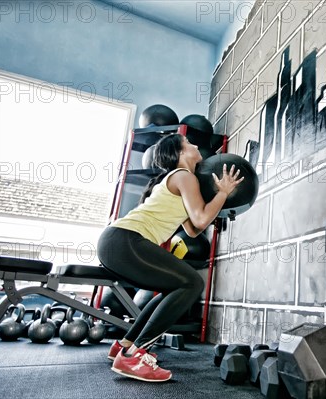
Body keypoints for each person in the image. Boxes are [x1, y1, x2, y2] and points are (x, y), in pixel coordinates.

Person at [97, 133, 243, 382]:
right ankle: (135, 356)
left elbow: (193, 229)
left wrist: (219, 202)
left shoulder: (182, 180)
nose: (196, 145)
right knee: (193, 283)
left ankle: (125, 344)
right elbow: (200, 219)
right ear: (180, 153)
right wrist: (223, 193)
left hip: (118, 241)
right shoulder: (184, 176)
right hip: (125, 239)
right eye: (189, 144)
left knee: (174, 288)